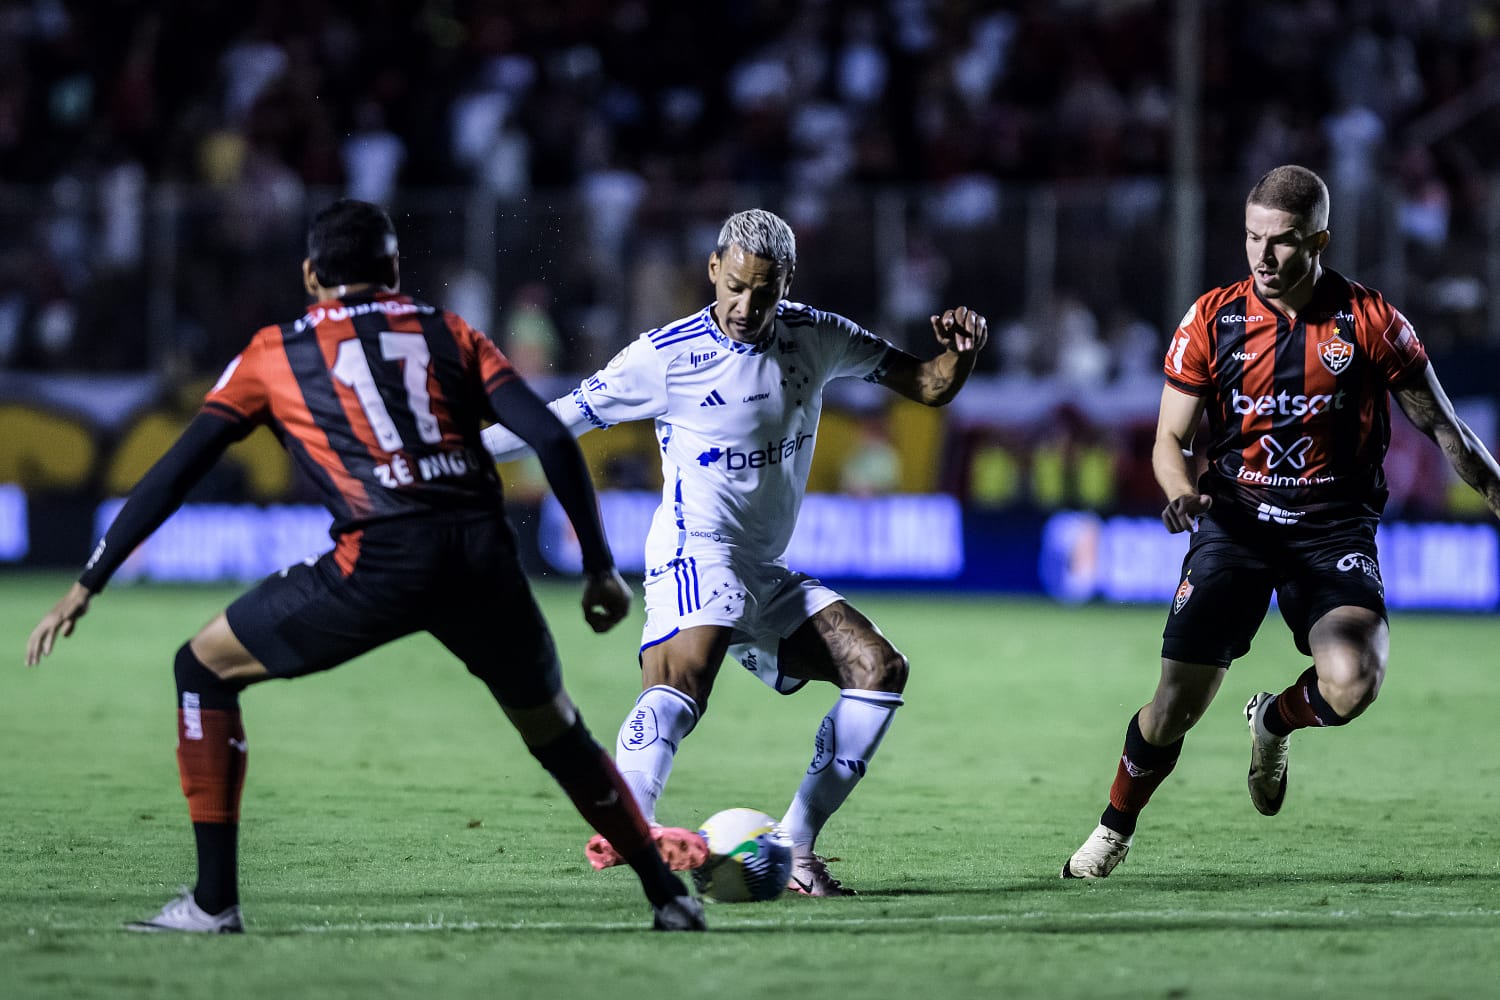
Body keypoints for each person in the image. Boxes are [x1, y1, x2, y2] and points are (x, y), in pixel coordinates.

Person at [25, 199, 705, 932]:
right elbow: (550, 436)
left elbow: (176, 471)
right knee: (557, 732)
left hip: (380, 560)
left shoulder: (272, 351)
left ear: (311, 274)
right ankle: (668, 898)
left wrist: (89, 580)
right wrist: (600, 567)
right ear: (392, 270)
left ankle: (213, 903)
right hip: (482, 559)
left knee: (202, 669)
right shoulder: (448, 330)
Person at [481, 208, 988, 895]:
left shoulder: (818, 335)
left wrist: (959, 354)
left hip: (765, 572)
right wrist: (452, 456)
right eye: (736, 286)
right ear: (714, 269)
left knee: (879, 668)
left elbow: (926, 385)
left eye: (766, 292)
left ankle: (796, 850)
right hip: (695, 549)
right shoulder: (666, 356)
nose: (747, 306)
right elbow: (556, 419)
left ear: (787, 285)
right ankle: (630, 822)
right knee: (686, 674)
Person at [1061, 165, 1500, 879]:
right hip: (1233, 526)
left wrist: (1495, 493)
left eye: (1284, 242)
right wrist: (1177, 491)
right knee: (1174, 707)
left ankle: (1273, 722)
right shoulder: (1213, 319)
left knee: (1354, 681)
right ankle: (1115, 826)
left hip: (1332, 530)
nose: (1263, 257)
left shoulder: (1370, 322)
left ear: (1320, 240)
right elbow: (1168, 440)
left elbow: (1445, 429)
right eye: (1251, 237)